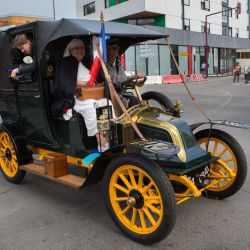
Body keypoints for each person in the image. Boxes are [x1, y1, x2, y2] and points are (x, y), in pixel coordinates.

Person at [53, 39, 114, 151]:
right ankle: (100, 139)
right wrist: (84, 84)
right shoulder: (65, 62)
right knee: (92, 105)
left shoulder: (85, 62)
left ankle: (107, 134)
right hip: (76, 98)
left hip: (91, 94)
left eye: (81, 48)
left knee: (106, 103)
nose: (79, 51)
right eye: (76, 48)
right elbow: (65, 83)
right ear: (70, 50)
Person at [106, 39, 146, 109]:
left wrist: (134, 83)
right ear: (107, 50)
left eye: (117, 48)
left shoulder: (118, 62)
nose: (116, 51)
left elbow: (123, 81)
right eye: (113, 48)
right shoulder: (104, 64)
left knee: (135, 100)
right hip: (109, 94)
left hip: (120, 93)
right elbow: (115, 81)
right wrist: (133, 77)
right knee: (124, 102)